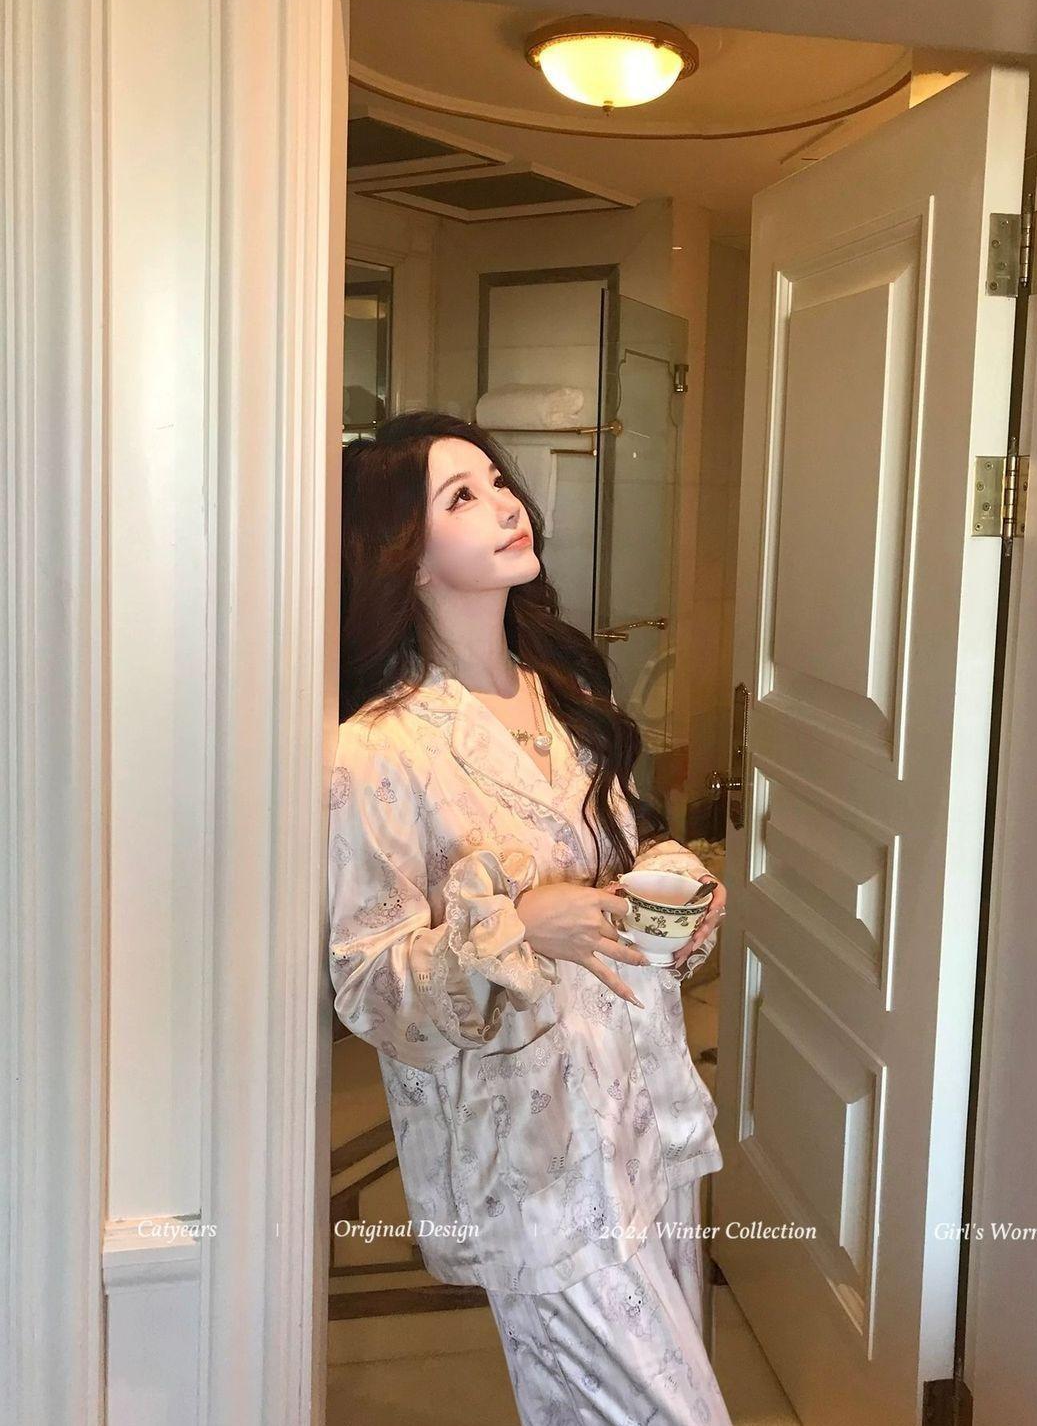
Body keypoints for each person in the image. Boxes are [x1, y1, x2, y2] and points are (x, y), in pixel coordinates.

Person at [328, 411, 733, 1425]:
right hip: (535, 1167)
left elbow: (619, 870)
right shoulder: (376, 751)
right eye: (461, 496)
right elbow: (369, 984)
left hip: (644, 1118)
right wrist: (514, 930)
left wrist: (673, 893)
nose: (506, 503)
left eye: (497, 481)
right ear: (408, 556)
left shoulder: (569, 690)